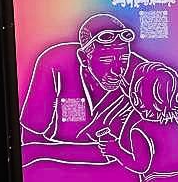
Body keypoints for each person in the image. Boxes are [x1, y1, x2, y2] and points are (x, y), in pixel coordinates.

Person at [20, 12, 153, 163]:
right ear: (84, 58)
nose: (118, 70)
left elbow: (138, 152)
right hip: (58, 171)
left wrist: (42, 152)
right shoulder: (54, 62)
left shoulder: (144, 74)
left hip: (118, 173)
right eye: (106, 59)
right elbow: (30, 138)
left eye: (124, 59)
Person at [93, 60, 178, 182]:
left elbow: (141, 166)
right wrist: (126, 87)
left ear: (136, 99)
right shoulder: (171, 122)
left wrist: (115, 151)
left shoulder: (139, 130)